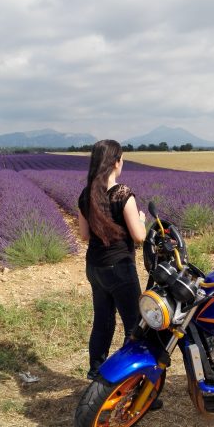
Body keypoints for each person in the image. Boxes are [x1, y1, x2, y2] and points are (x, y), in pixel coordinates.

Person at [78, 139, 146, 380]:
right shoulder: (122, 194)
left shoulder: (86, 195)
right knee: (135, 327)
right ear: (116, 163)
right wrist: (141, 219)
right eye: (122, 158)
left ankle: (96, 372)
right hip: (120, 269)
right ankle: (134, 382)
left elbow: (84, 235)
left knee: (103, 321)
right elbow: (139, 237)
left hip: (94, 267)